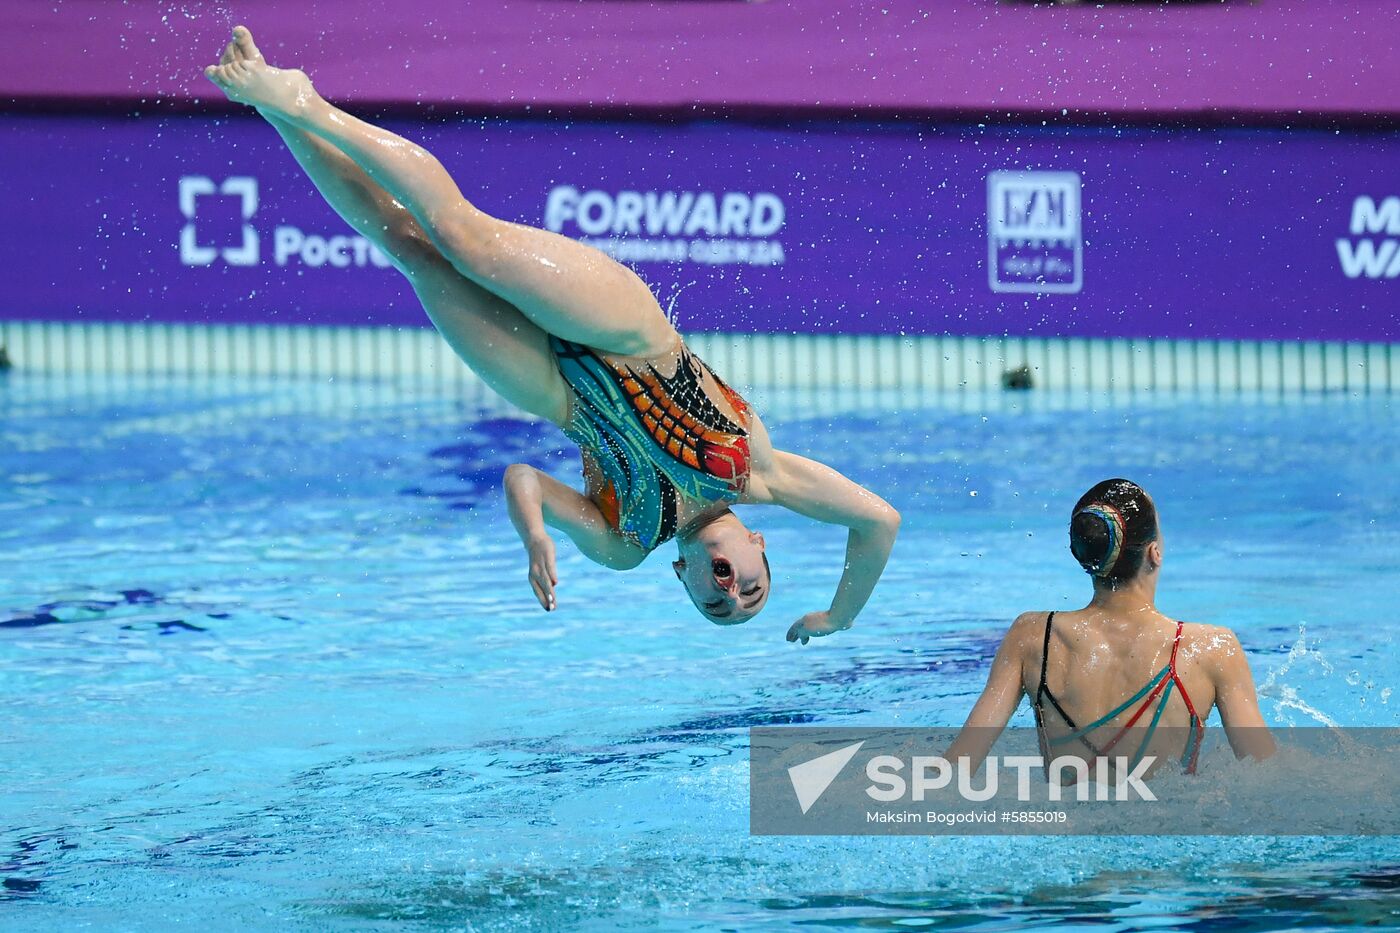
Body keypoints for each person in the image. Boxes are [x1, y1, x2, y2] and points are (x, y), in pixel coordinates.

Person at [203, 28, 899, 641]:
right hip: (634, 341)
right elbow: (878, 523)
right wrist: (837, 617)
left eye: (718, 604)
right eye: (753, 586)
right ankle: (305, 101)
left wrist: (534, 533)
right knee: (463, 238)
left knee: (411, 250)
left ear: (683, 578)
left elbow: (524, 478)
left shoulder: (625, 546)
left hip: (558, 393)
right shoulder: (762, 474)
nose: (731, 588)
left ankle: (270, 106)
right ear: (756, 541)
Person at [947, 478, 1275, 778]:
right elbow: (1268, 776)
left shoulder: (1033, 635)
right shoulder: (1211, 648)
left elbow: (959, 765)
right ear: (1154, 553)